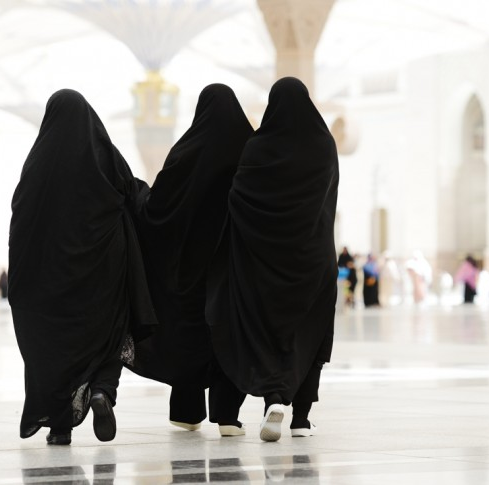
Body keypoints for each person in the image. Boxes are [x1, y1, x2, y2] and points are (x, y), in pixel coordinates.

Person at [8, 89, 157, 446]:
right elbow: (135, 197)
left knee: (53, 347)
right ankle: (103, 390)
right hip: (104, 270)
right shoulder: (104, 155)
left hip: (48, 281)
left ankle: (60, 427)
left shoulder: (37, 166)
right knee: (113, 333)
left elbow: (21, 222)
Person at [206, 77, 339, 442]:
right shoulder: (323, 145)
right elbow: (328, 201)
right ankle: (300, 419)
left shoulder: (257, 147)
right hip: (313, 263)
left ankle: (273, 396)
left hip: (261, 264)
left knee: (264, 332)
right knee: (309, 335)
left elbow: (238, 198)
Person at [127, 84, 253, 436]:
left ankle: (186, 410)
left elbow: (158, 209)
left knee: (187, 333)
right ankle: (227, 416)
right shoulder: (249, 150)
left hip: (188, 271)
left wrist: (135, 194)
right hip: (232, 268)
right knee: (229, 334)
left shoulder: (186, 151)